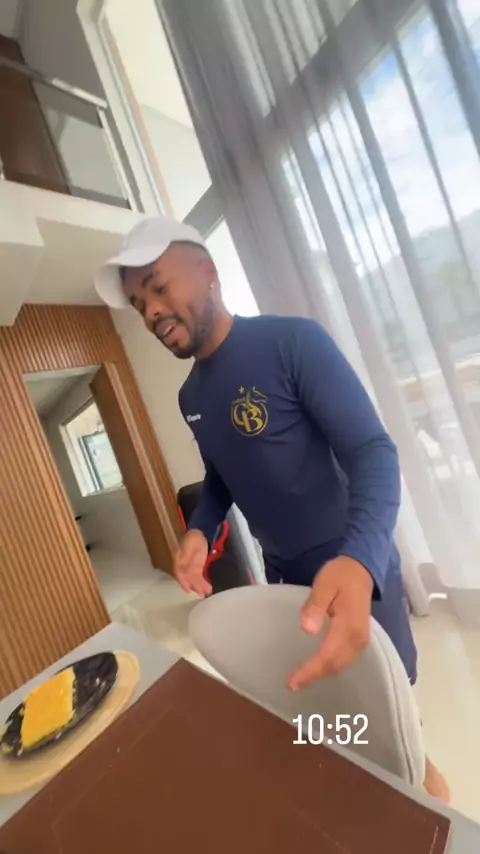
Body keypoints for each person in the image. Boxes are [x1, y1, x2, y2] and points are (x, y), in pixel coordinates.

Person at [95, 215, 448, 801]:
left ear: (207, 271)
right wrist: (200, 529)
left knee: (397, 727)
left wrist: (360, 560)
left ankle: (435, 810)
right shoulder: (190, 396)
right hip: (286, 579)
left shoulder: (293, 342)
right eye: (138, 304)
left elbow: (373, 452)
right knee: (333, 717)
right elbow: (220, 476)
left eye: (157, 287)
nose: (151, 311)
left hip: (354, 569)